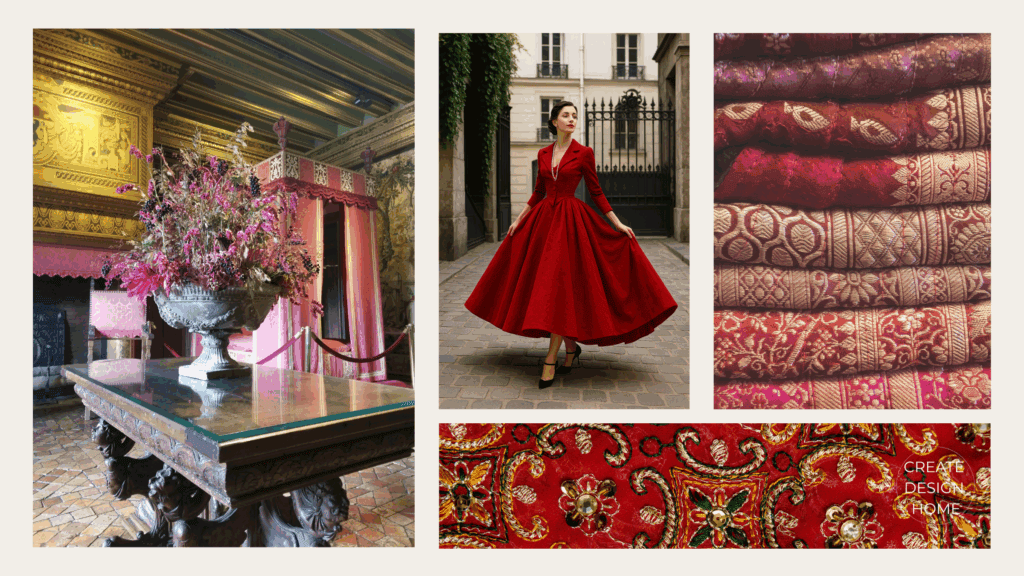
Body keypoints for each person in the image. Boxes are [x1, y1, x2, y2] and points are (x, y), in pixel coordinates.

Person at [465, 101, 677, 389]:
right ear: (553, 121)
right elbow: (538, 191)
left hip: (570, 222)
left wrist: (617, 223)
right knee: (550, 288)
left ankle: (550, 359)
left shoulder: (584, 153)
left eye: (574, 116)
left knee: (558, 288)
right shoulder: (542, 153)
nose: (571, 119)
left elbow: (596, 191)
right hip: (543, 222)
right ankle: (571, 348)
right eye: (565, 115)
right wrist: (519, 219)